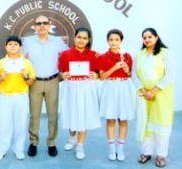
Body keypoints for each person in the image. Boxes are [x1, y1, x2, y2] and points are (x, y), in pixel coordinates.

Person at [22, 14, 69, 157]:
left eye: (44, 23)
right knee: (34, 115)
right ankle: (33, 143)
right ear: (34, 26)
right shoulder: (28, 42)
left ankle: (51, 143)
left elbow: (71, 55)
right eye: (38, 23)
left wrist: (92, 55)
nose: (42, 25)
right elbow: (19, 58)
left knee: (52, 115)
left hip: (52, 82)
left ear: (49, 25)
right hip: (35, 83)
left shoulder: (58, 41)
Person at [133, 28, 174, 168]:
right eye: (144, 37)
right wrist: (144, 91)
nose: (147, 40)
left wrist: (155, 90)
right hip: (144, 96)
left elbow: (169, 74)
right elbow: (134, 75)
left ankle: (161, 155)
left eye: (150, 36)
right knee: (145, 124)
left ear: (156, 37)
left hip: (162, 95)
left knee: (161, 124)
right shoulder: (139, 55)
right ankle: (146, 152)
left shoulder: (165, 53)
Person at [59, 27, 101, 160]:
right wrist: (63, 74)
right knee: (72, 113)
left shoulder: (94, 55)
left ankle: (80, 145)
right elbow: (61, 71)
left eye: (84, 38)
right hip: (71, 87)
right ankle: (72, 139)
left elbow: (99, 73)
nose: (81, 40)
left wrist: (96, 75)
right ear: (74, 38)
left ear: (88, 40)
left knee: (83, 115)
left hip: (87, 87)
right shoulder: (66, 54)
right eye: (79, 37)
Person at [0, 35, 35, 161]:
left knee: (21, 124)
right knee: (3, 124)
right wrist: (2, 77)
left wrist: (26, 75)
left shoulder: (26, 62)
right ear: (5, 46)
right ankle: (1, 150)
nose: (12, 46)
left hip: (21, 97)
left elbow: (31, 82)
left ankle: (19, 149)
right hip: (5, 97)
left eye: (15, 44)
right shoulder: (0, 63)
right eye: (10, 44)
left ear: (20, 47)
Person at [97, 29, 135, 161]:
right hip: (110, 87)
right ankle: (112, 150)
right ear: (108, 41)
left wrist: (126, 70)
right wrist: (114, 67)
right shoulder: (103, 57)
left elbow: (130, 75)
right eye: (111, 40)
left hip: (124, 87)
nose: (114, 42)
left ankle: (121, 149)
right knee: (111, 119)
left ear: (121, 41)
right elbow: (101, 77)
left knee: (123, 119)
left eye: (117, 40)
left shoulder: (127, 56)